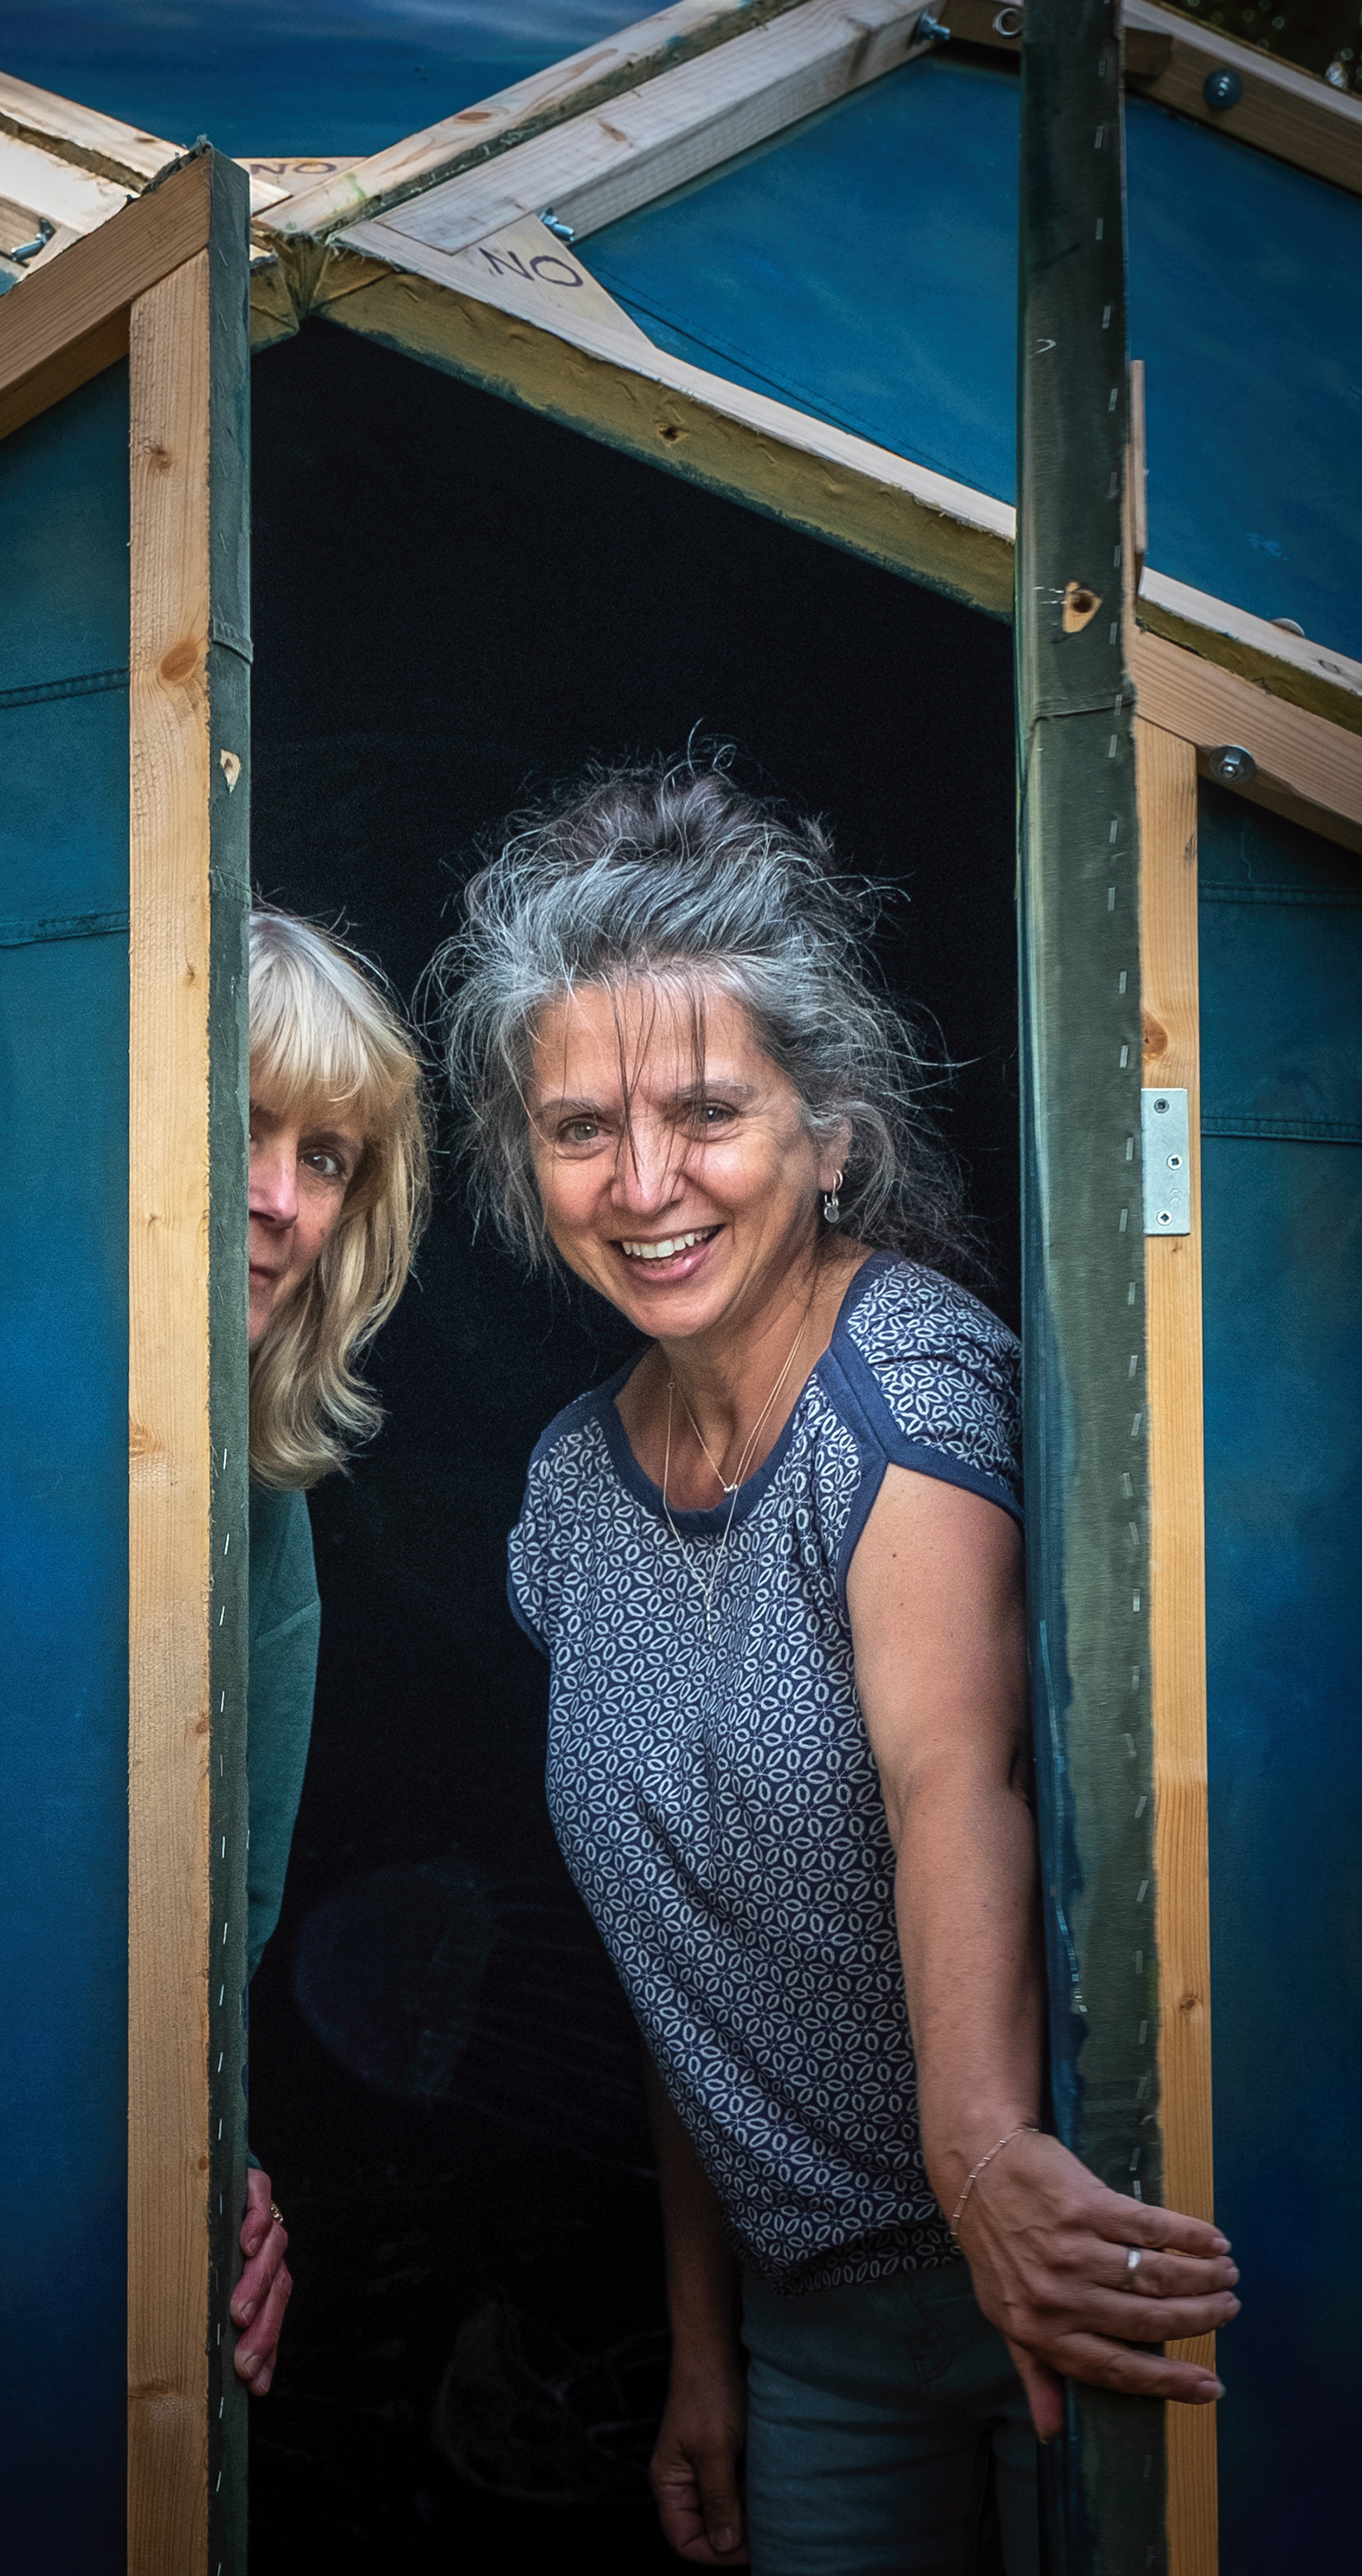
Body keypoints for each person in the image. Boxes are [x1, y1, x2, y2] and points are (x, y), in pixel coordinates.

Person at [433, 762, 1238, 2572]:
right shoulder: (571, 1491)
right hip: (816, 2338)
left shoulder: (916, 1387)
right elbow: (682, 1956)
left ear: (828, 1126)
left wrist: (980, 2168)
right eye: (580, 1128)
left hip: (1043, 2261)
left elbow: (957, 1775)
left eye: (708, 1110)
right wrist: (705, 2349)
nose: (645, 1185)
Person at [228, 907, 430, 2398]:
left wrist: (210, 2172)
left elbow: (217, 1920)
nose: (275, 1198)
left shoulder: (263, 1513)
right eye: (240, 1126)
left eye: (325, 1157)